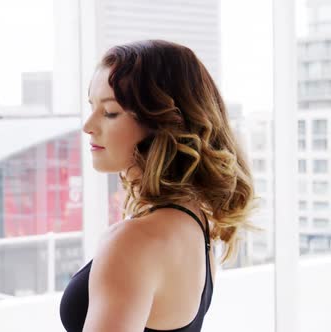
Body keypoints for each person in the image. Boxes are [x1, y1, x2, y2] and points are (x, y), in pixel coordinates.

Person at [59, 40, 260, 332]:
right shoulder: (196, 222)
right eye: (92, 107)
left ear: (160, 122)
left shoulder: (133, 242)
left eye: (110, 112)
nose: (88, 125)